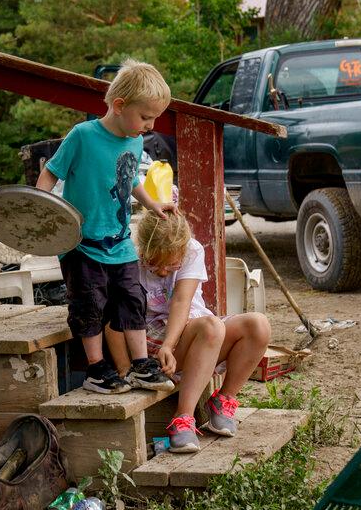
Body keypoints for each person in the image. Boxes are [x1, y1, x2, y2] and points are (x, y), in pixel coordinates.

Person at [36, 59, 176, 394]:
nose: (151, 125)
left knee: (132, 298)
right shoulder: (83, 136)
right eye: (145, 117)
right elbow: (51, 171)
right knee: (90, 304)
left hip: (120, 242)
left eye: (155, 117)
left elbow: (129, 180)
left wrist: (152, 203)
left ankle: (141, 366)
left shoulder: (135, 139)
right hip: (82, 243)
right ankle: (97, 370)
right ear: (119, 105)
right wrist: (39, 207)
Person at [106, 211, 270, 453]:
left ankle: (223, 400)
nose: (162, 271)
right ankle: (182, 418)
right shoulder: (129, 255)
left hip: (183, 334)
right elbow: (111, 319)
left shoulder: (192, 250)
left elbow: (182, 301)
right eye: (154, 264)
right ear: (144, 251)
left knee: (258, 326)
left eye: (171, 265)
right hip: (147, 341)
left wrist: (169, 346)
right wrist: (125, 368)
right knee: (211, 326)